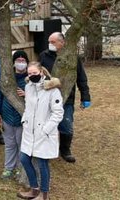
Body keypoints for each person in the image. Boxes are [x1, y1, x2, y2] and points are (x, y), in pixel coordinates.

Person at [39, 32, 91, 163]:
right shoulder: (43, 56)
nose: (50, 44)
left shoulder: (72, 57)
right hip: (47, 98)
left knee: (66, 125)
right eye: (49, 42)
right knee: (47, 125)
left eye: (53, 42)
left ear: (62, 43)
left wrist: (85, 96)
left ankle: (65, 150)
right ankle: (47, 149)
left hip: (66, 97)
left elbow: (81, 77)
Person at [17, 62, 63, 200]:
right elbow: (28, 107)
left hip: (44, 133)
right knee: (24, 159)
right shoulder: (28, 87)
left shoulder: (53, 90)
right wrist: (24, 120)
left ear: (41, 73)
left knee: (43, 164)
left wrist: (46, 129)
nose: (32, 76)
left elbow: (58, 113)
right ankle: (34, 189)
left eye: (34, 73)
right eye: (29, 74)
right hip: (29, 131)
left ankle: (44, 195)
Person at [0, 50, 29, 180]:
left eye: (23, 61)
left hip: (22, 119)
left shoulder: (30, 80)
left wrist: (27, 94)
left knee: (21, 144)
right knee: (9, 144)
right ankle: (9, 168)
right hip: (7, 117)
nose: (20, 63)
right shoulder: (7, 78)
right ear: (13, 63)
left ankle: (20, 168)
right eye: (18, 61)